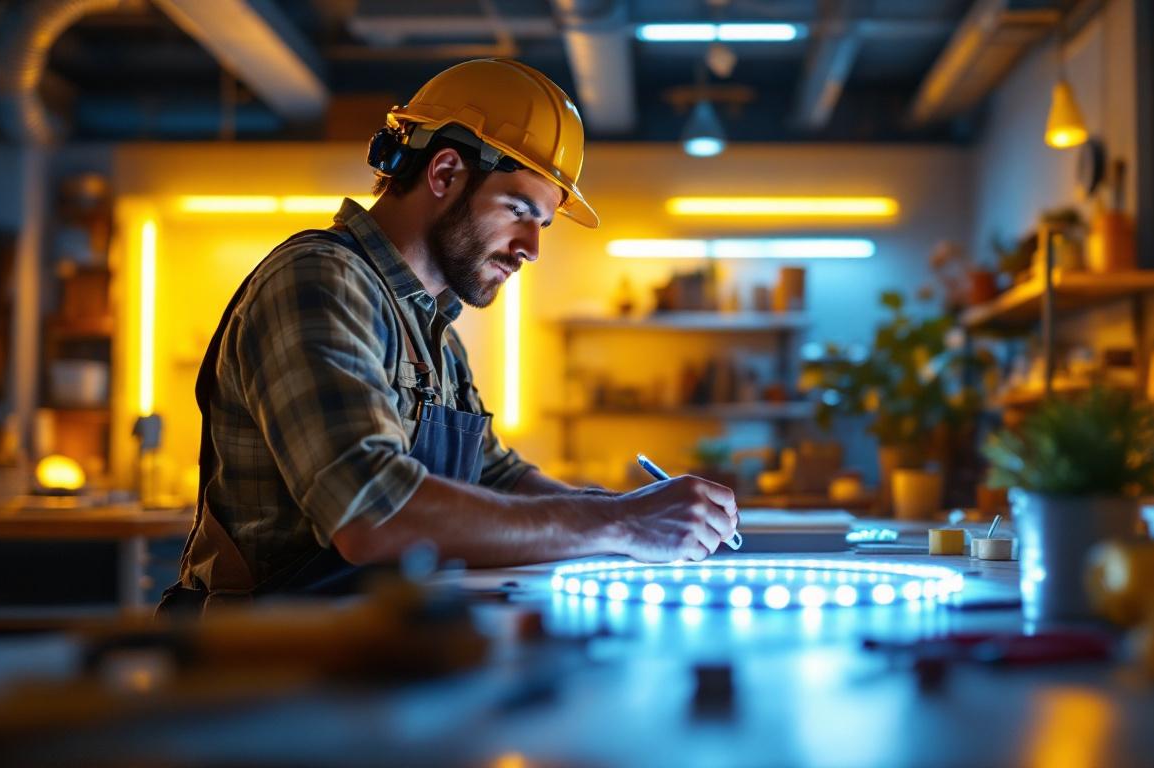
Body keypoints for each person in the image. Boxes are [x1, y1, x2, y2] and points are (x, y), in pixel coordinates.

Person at [158, 59, 738, 613]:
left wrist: (629, 510)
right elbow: (372, 512)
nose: (531, 249)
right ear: (444, 173)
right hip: (266, 666)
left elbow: (496, 477)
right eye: (519, 210)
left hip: (369, 645)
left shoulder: (432, 327)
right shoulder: (319, 281)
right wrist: (623, 525)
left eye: (541, 225)